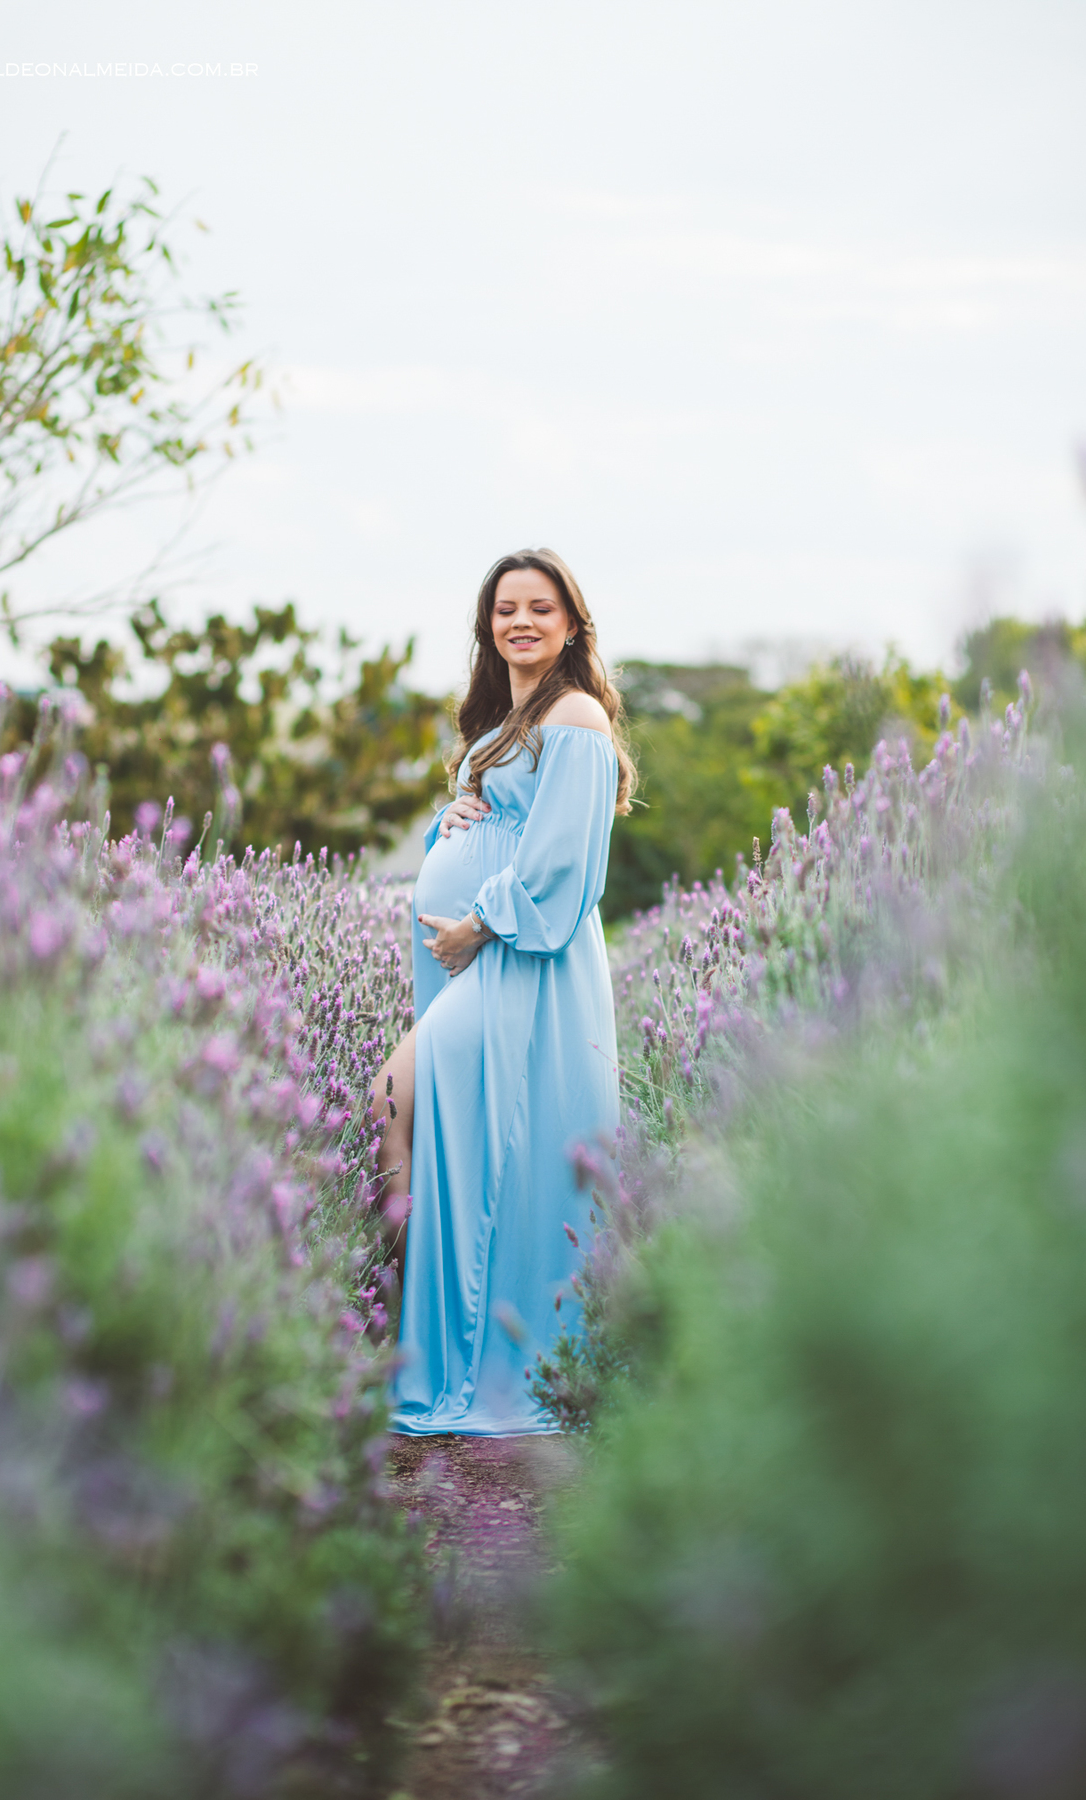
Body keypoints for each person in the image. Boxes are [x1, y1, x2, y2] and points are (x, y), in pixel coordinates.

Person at [373, 548, 635, 1435]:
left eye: (540, 608)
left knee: (398, 1097)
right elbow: (500, 824)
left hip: (524, 960)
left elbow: (564, 864)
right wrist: (448, 821)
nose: (520, 621)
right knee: (430, 1123)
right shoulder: (505, 720)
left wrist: (477, 923)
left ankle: (462, 1354)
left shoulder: (576, 716)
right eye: (505, 609)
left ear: (572, 624)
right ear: (488, 626)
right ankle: (425, 1343)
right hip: (482, 960)